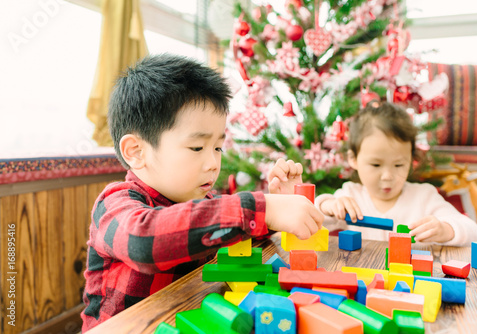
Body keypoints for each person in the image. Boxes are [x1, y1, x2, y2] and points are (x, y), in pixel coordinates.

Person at [81, 53, 323, 332]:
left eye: (218, 148)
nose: (213, 163)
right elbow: (144, 242)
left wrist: (277, 208)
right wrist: (263, 208)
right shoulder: (115, 204)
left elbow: (237, 233)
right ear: (136, 152)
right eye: (197, 148)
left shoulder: (203, 203)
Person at [316, 101, 477, 246]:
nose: (387, 176)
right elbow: (314, 219)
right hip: (365, 277)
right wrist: (327, 206)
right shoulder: (350, 195)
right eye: (376, 164)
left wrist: (446, 230)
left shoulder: (424, 196)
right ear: (353, 159)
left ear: (411, 159)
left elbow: (473, 231)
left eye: (399, 164)